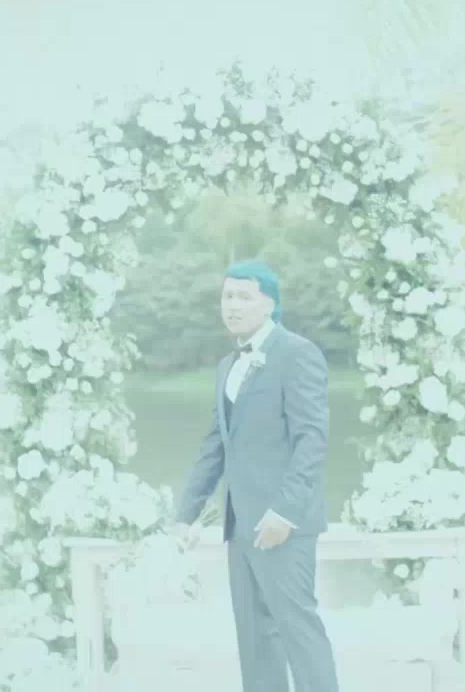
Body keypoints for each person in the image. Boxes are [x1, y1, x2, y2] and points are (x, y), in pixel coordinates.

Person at [173, 259, 341, 692]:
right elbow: (216, 445)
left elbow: (311, 441)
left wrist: (285, 512)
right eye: (227, 296)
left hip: (283, 525)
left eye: (244, 297)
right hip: (239, 525)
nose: (232, 305)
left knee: (300, 633)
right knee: (255, 642)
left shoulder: (297, 353)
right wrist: (186, 513)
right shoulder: (226, 366)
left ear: (269, 304)